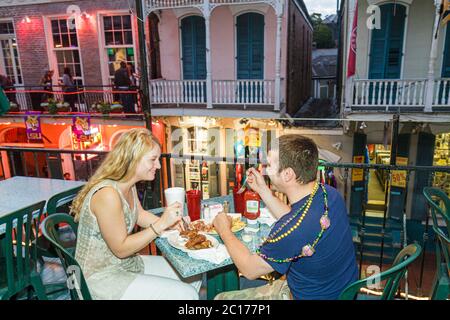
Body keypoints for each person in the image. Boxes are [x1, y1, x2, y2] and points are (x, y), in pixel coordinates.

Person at [213, 134, 358, 300]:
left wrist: (224, 230)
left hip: (308, 296)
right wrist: (263, 191)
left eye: (270, 165)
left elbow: (250, 269)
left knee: (220, 299)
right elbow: (296, 218)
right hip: (342, 290)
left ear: (288, 174)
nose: (265, 170)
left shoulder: (290, 232)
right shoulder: (329, 194)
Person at [70, 128, 201, 300]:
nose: (159, 166)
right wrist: (161, 224)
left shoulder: (127, 185)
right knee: (187, 295)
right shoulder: (108, 194)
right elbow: (122, 249)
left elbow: (139, 215)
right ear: (133, 160)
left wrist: (172, 225)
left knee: (192, 273)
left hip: (125, 265)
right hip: (98, 279)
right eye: (153, 160)